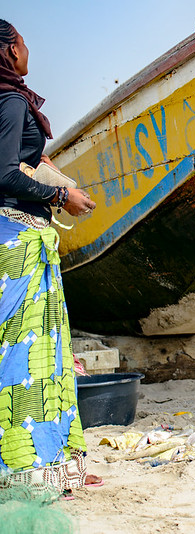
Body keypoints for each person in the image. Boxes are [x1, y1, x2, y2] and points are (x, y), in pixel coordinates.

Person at [0, 20, 98, 497]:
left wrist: (59, 183)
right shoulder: (12, 101)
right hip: (19, 238)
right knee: (28, 355)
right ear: (8, 52)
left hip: (11, 238)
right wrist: (62, 198)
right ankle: (27, 466)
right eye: (21, 42)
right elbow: (5, 174)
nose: (27, 49)